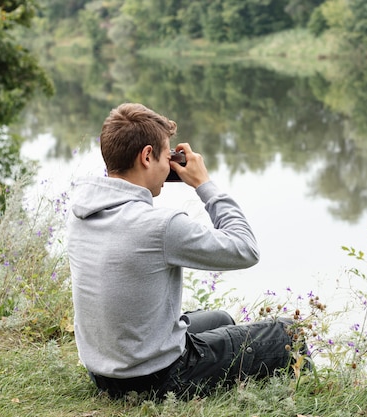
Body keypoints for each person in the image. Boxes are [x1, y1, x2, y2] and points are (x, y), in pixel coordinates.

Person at [67, 103, 296, 400]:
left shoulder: (81, 211)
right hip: (157, 378)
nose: (170, 166)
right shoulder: (161, 226)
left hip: (102, 373)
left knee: (220, 319)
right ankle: (296, 397)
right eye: (167, 156)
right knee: (289, 334)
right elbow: (245, 249)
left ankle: (237, 385)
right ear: (147, 156)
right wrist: (204, 184)